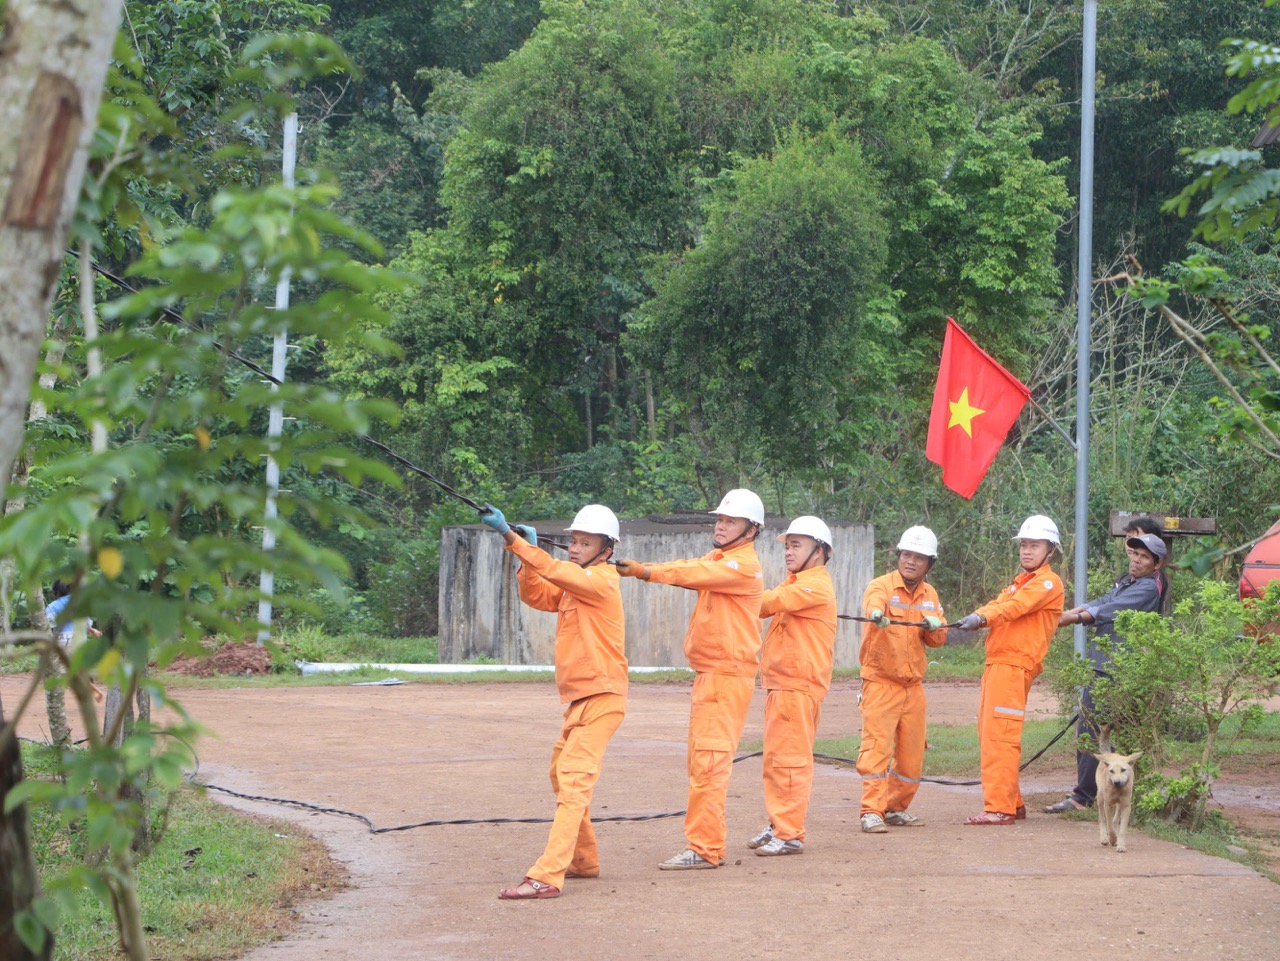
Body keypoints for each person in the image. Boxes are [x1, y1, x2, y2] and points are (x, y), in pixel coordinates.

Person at [479, 503, 628, 901]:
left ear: (606, 549)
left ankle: (547, 874)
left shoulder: (601, 581)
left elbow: (557, 571)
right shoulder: (575, 582)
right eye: (574, 540)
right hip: (580, 699)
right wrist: (528, 560)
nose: (575, 548)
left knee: (574, 781)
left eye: (585, 542)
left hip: (603, 696)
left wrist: (511, 539)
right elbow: (537, 594)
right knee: (560, 775)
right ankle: (583, 860)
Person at [616, 489, 765, 870]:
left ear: (751, 530)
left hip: (726, 676)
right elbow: (691, 567)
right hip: (712, 675)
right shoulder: (721, 559)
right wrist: (641, 569)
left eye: (730, 521)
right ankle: (704, 844)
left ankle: (705, 848)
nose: (721, 525)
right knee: (701, 762)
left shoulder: (741, 565)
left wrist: (647, 571)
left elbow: (692, 573)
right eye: (720, 519)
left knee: (710, 763)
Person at [1045, 532, 1166, 814]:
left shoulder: (1147, 588)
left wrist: (1069, 618)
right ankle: (1101, 792)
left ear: (1156, 564)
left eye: (1144, 557)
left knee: (1090, 730)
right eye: (1134, 553)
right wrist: (1071, 611)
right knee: (1097, 731)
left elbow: (1110, 609)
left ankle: (1083, 797)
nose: (1136, 560)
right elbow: (1103, 599)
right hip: (1105, 668)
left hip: (1115, 672)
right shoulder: (1128, 581)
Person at [954, 515, 1065, 825]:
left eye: (1035, 545)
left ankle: (999, 808)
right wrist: (977, 616)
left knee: (1000, 736)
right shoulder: (1019, 583)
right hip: (999, 665)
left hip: (1014, 665)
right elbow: (997, 604)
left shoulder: (1047, 582)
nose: (1027, 551)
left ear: (1050, 550)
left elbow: (1011, 609)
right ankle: (1011, 803)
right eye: (1024, 545)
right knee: (991, 734)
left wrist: (980, 619)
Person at [745, 516, 837, 857]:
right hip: (783, 685)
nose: (788, 551)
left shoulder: (814, 585)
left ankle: (789, 832)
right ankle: (778, 823)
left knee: (789, 761)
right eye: (787, 545)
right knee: (776, 759)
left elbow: (763, 604)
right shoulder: (795, 583)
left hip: (797, 686)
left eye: (796, 545)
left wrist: (731, 586)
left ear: (820, 551)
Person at [856, 526, 948, 834]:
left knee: (912, 754)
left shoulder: (929, 594)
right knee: (876, 749)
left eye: (919, 558)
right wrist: (875, 614)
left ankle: (895, 807)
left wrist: (935, 627)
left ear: (929, 564)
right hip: (881, 683)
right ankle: (871, 810)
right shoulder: (881, 586)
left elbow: (937, 640)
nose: (911, 561)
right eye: (907, 555)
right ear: (899, 555)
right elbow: (873, 602)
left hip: (913, 687)